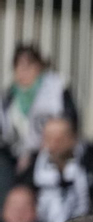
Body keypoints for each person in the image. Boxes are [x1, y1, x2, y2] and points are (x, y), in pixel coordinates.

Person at [1, 45, 77, 178]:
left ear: (39, 67)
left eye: (28, 66)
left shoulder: (56, 89)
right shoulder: (9, 97)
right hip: (16, 159)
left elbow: (70, 123)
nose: (23, 71)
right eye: (18, 66)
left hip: (52, 156)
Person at [30, 116, 92, 222]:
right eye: (49, 138)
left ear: (73, 139)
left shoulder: (90, 162)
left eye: (60, 139)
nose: (55, 144)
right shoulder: (33, 166)